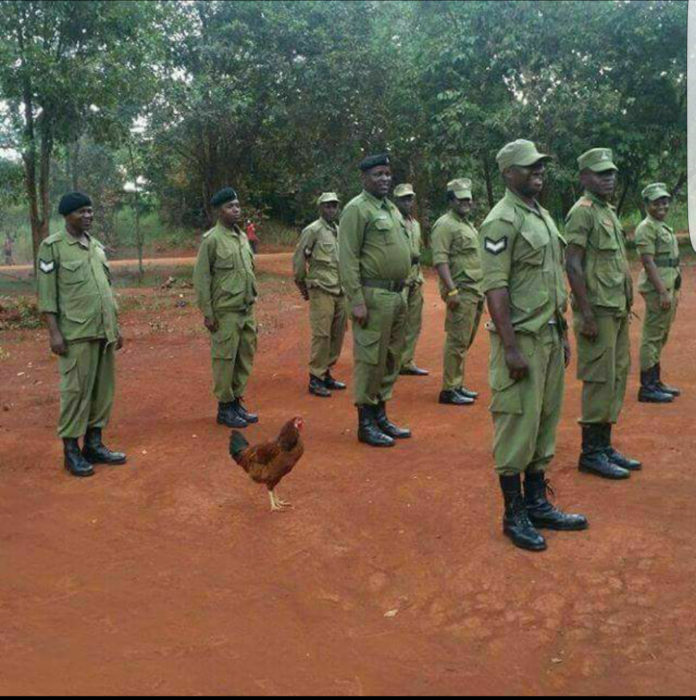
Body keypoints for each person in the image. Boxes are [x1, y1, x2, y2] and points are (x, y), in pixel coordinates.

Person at [480, 139, 588, 552]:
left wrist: (560, 333)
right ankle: (514, 513)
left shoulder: (540, 215)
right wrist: (510, 348)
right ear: (508, 173)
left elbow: (546, 280)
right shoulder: (501, 220)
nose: (538, 171)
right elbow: (496, 287)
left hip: (547, 335)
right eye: (529, 167)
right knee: (516, 424)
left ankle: (537, 502)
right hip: (520, 339)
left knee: (544, 420)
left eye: (540, 165)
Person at [36, 191, 126, 478]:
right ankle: (71, 451)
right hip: (75, 334)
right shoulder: (53, 248)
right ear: (67, 216)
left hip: (103, 331)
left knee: (102, 392)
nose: (88, 216)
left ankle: (94, 444)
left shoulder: (96, 246)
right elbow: (47, 295)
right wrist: (54, 333)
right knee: (75, 393)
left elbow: (106, 290)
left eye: (90, 211)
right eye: (81, 212)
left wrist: (116, 326)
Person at [565, 148, 641, 480]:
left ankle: (605, 445)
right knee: (598, 379)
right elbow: (573, 263)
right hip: (598, 310)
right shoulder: (582, 212)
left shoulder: (606, 211)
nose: (608, 177)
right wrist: (587, 313)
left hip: (615, 308)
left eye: (611, 172)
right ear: (584, 177)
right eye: (600, 173)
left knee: (616, 375)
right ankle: (591, 452)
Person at [338, 153, 412, 447]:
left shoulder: (391, 209)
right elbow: (348, 257)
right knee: (370, 359)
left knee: (392, 357)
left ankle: (381, 414)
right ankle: (365, 422)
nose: (384, 179)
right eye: (378, 174)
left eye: (387, 174)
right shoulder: (356, 209)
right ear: (364, 178)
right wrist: (356, 299)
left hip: (396, 295)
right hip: (372, 296)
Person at [193, 187, 259, 428]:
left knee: (244, 358)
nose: (236, 210)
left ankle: (236, 404)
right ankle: (224, 408)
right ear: (219, 212)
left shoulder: (242, 237)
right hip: (225, 312)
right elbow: (202, 279)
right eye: (230, 206)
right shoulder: (212, 240)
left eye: (238, 205)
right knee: (224, 360)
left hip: (245, 310)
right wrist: (208, 314)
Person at [430, 178, 484, 405]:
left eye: (468, 199)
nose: (466, 203)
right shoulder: (445, 225)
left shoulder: (467, 224)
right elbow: (440, 260)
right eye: (461, 199)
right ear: (451, 200)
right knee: (457, 341)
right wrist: (451, 291)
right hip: (460, 290)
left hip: (475, 289)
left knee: (465, 340)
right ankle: (449, 389)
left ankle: (457, 384)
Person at [292, 191, 348, 398]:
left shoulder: (339, 231)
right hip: (321, 289)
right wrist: (302, 286)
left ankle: (326, 372)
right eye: (327, 205)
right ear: (320, 208)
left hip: (340, 290)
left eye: (334, 205)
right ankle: (315, 378)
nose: (331, 209)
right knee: (322, 334)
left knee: (338, 333)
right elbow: (299, 259)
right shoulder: (312, 230)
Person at [634, 182, 681, 402]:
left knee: (660, 335)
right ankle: (647, 387)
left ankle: (656, 381)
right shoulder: (647, 227)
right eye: (656, 202)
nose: (662, 205)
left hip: (669, 286)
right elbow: (648, 262)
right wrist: (662, 291)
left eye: (665, 201)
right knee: (652, 336)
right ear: (646, 204)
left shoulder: (661, 225)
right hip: (658, 289)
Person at [393, 183, 429, 377]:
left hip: (415, 278)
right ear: (396, 201)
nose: (408, 202)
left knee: (414, 322)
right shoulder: (391, 222)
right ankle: (390, 361)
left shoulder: (415, 224)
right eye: (403, 199)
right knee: (395, 323)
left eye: (410, 198)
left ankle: (406, 361)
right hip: (398, 280)